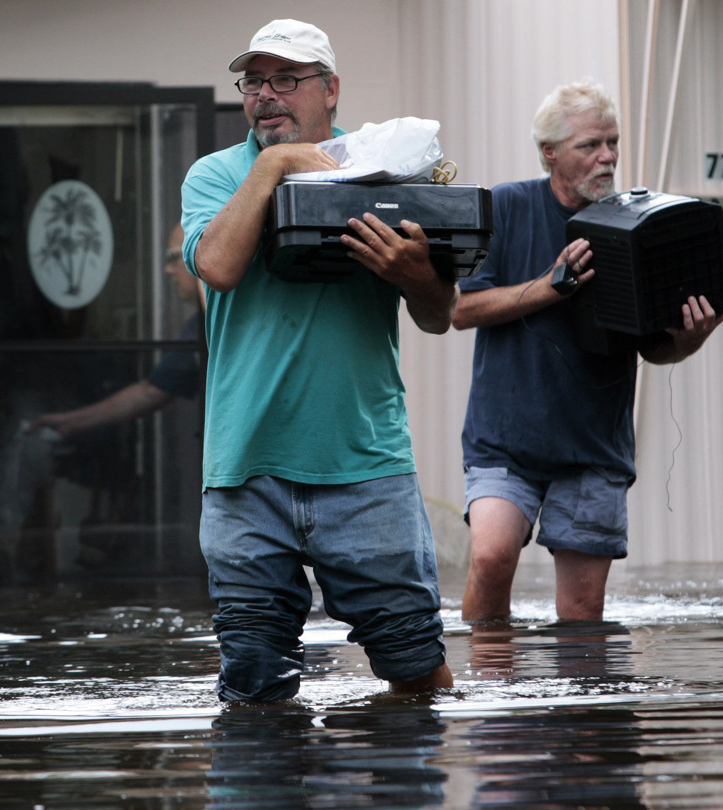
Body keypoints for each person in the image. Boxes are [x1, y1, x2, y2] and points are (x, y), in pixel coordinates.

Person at [179, 19, 457, 701]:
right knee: (252, 680)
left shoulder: (384, 173)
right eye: (254, 81)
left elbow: (438, 315)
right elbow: (215, 266)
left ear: (330, 90)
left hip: (364, 465)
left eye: (287, 79)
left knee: (415, 668)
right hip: (245, 470)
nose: (267, 95)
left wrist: (416, 272)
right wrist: (275, 165)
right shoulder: (216, 176)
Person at [453, 80, 723, 624]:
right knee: (490, 559)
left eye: (613, 142)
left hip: (593, 447)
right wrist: (550, 286)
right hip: (505, 441)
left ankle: (580, 711)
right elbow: (461, 311)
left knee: (581, 613)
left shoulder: (638, 222)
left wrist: (691, 337)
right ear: (549, 153)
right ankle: (491, 702)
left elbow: (655, 351)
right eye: (590, 146)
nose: (607, 157)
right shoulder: (506, 206)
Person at [27, 224, 205, 440]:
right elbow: (151, 392)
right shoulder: (197, 327)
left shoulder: (237, 318)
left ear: (202, 255)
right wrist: (71, 422)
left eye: (173, 257)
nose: (168, 270)